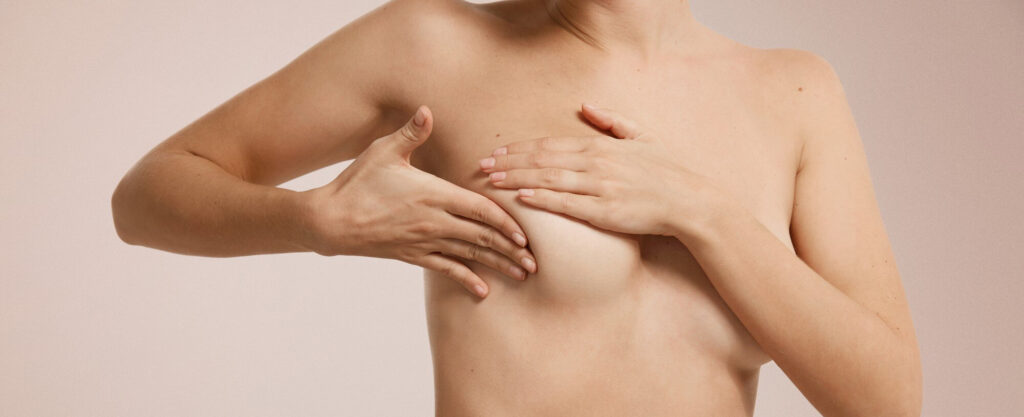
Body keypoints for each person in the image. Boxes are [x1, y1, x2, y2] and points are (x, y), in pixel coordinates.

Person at [111, 0, 923, 415]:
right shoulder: (433, 45)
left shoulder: (795, 94)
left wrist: (701, 211)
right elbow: (147, 194)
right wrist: (313, 221)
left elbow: (886, 400)